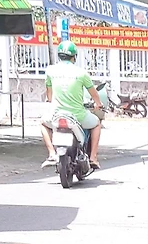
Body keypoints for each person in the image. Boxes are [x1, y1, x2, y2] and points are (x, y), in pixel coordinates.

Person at [42, 41, 104, 169]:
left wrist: (51, 100)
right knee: (97, 124)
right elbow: (93, 93)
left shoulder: (50, 70)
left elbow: (49, 95)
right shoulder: (81, 73)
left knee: (43, 123)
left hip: (56, 115)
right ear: (74, 56)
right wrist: (98, 104)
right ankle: (93, 157)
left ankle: (52, 154)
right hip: (77, 115)